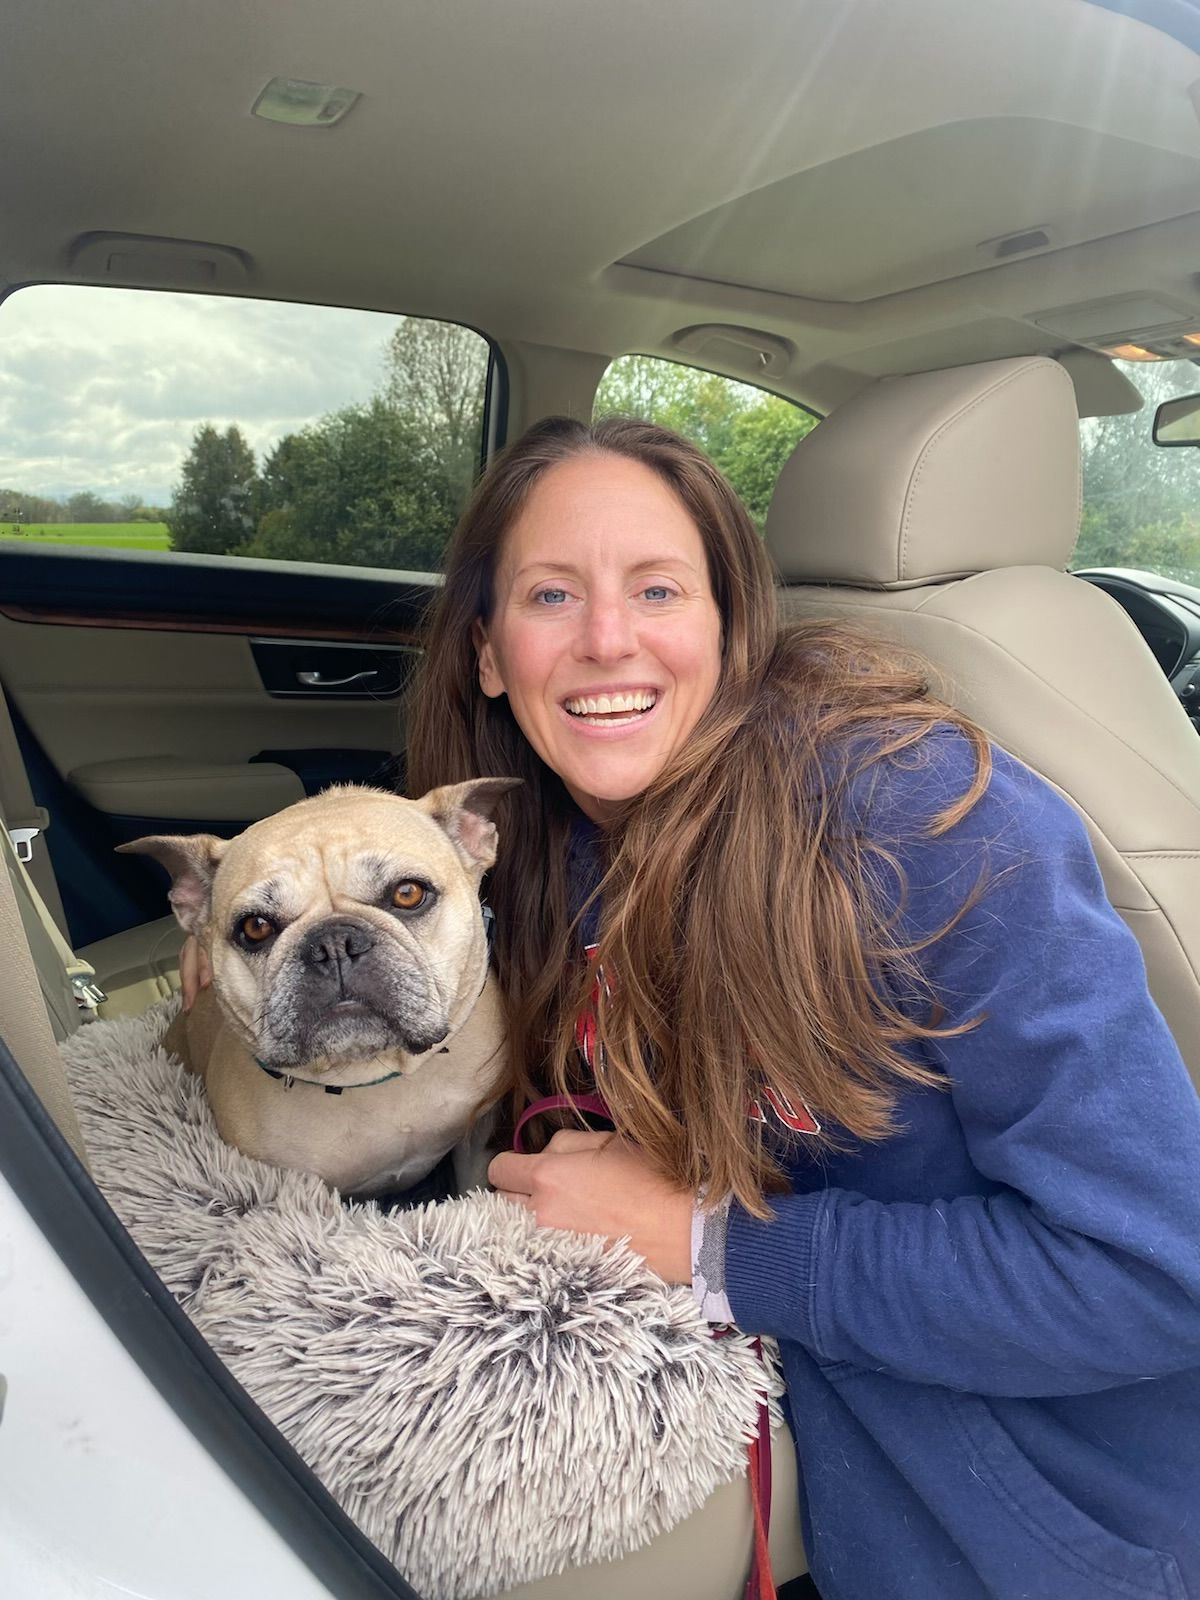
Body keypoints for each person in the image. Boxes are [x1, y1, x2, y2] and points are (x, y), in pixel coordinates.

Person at [185, 416, 1200, 1600]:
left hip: (1033, 1522)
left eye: (658, 588)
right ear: (489, 653)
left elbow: (1158, 1272)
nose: (608, 640)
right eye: (552, 595)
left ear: (730, 624)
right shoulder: (534, 835)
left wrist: (719, 1246)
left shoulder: (933, 827)